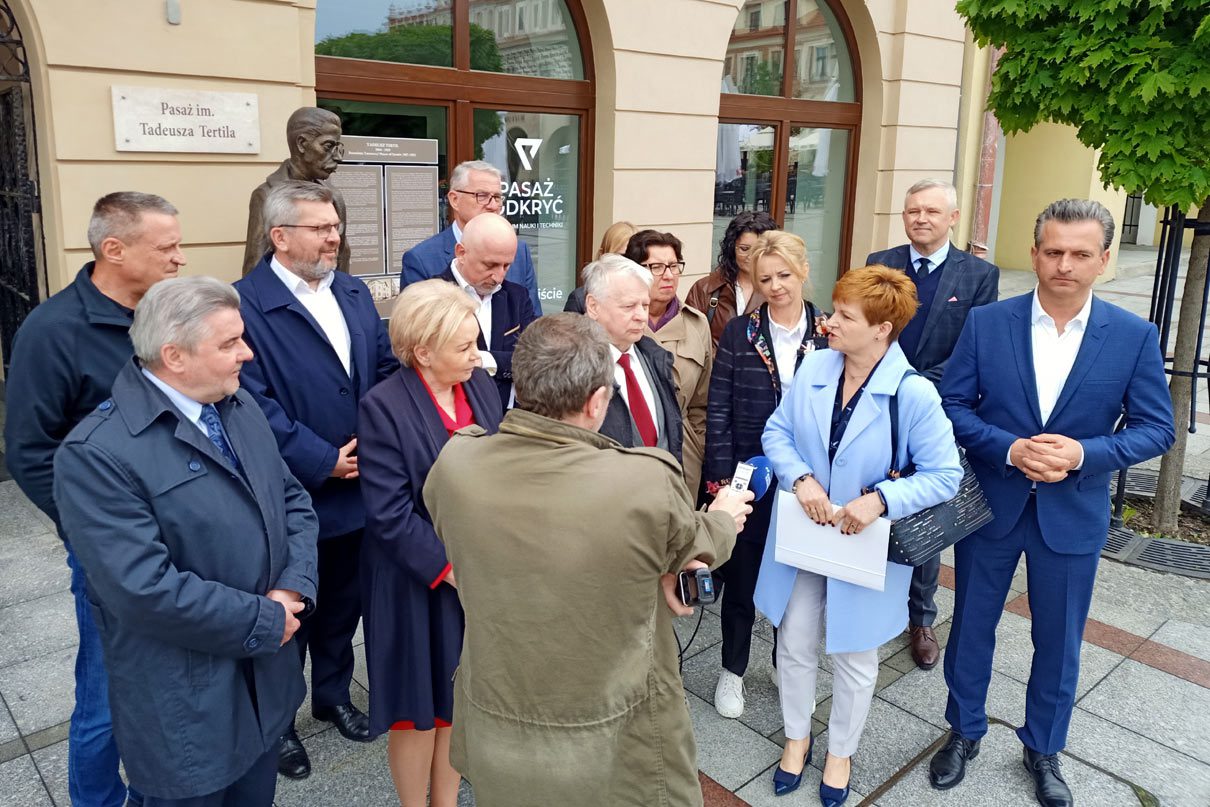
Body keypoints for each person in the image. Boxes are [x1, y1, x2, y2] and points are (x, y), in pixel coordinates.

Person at [422, 313, 754, 806]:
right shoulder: (642, 481)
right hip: (614, 737)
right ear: (598, 401)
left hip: (498, 722)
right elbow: (694, 542)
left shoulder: (456, 464)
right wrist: (725, 515)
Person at [932, 200, 1175, 807]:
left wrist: (1084, 454)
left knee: (1060, 638)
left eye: (1080, 254)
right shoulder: (990, 324)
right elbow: (954, 406)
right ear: (1036, 252)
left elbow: (1156, 428)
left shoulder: (1133, 336)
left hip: (1072, 514)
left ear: (1103, 260)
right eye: (1053, 251)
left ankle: (1043, 747)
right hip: (994, 503)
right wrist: (1010, 449)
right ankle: (963, 731)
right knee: (970, 628)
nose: (1064, 265)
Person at [52, 276, 319, 806]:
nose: (246, 353)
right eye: (229, 344)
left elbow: (293, 501)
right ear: (173, 356)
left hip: (264, 683)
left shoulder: (236, 407)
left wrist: (293, 588)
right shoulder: (95, 455)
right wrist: (267, 620)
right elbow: (144, 590)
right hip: (187, 705)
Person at [755, 266, 963, 805]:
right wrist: (799, 478)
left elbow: (945, 475)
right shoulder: (817, 366)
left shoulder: (913, 394)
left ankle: (841, 752)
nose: (829, 323)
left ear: (882, 330)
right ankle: (797, 739)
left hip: (863, 544)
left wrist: (882, 500)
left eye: (845, 316)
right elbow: (777, 431)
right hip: (806, 536)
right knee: (794, 640)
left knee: (854, 654)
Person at [4, 191, 185, 807]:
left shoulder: (163, 314)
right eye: (167, 248)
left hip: (184, 533)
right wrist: (88, 528)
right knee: (107, 694)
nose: (180, 259)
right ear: (114, 249)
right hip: (111, 549)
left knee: (172, 684)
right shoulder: (53, 331)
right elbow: (30, 451)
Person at [234, 180, 398, 779]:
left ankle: (331, 696)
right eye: (321, 227)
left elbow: (382, 369)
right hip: (293, 494)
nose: (335, 236)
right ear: (280, 236)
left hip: (362, 486)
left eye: (335, 225)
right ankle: (278, 726)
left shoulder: (353, 292)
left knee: (343, 607)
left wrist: (376, 442)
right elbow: (251, 402)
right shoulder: (244, 305)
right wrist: (322, 457)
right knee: (291, 614)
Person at [357, 280, 504, 806]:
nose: (476, 355)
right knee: (416, 710)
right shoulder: (384, 406)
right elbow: (388, 514)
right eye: (463, 347)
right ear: (422, 351)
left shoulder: (479, 386)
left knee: (456, 702)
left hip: (477, 569)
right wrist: (454, 569)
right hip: (416, 581)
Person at [865, 178, 1000, 670]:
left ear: (952, 218)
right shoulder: (881, 261)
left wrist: (913, 388)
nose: (920, 218)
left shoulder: (979, 275)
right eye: (912, 211)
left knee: (924, 508)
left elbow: (973, 350)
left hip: (934, 409)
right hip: (875, 403)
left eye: (931, 211)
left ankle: (921, 616)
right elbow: (865, 327)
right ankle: (871, 600)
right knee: (871, 498)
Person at [704, 230, 827, 720]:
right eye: (765, 278)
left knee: (795, 577)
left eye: (784, 275)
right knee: (741, 578)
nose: (776, 286)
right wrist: (720, 480)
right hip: (750, 472)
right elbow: (719, 408)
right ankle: (732, 670)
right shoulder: (742, 331)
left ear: (803, 272)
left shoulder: (828, 330)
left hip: (808, 480)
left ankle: (785, 660)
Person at [626, 230, 711, 494]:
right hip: (630, 449)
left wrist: (696, 442)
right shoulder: (619, 322)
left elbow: (702, 401)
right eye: (656, 267)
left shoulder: (697, 324)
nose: (668, 275)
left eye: (674, 266)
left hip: (684, 455)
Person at [401, 159, 542, 313]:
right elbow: (416, 332)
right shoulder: (422, 260)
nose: (493, 206)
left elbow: (533, 328)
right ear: (455, 200)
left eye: (497, 197)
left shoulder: (519, 252)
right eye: (482, 196)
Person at [584, 254, 684, 463]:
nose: (641, 316)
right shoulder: (574, 369)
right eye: (629, 307)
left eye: (645, 306)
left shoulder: (656, 358)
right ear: (593, 306)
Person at [436, 212, 538, 409]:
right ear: (461, 253)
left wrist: (483, 359)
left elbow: (534, 359)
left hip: (509, 421)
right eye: (490, 265)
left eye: (506, 266)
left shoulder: (516, 296)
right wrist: (506, 361)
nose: (498, 277)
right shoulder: (432, 297)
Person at [243, 107, 350, 275]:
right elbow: (255, 264)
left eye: (338, 147)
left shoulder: (334, 197)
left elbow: (342, 255)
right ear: (302, 144)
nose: (338, 157)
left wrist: (343, 296)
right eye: (328, 146)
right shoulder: (266, 195)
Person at [686, 210, 777, 348]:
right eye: (744, 249)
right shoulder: (705, 289)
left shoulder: (779, 289)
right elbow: (690, 343)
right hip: (716, 368)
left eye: (759, 249)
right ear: (732, 248)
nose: (751, 256)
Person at [563, 219, 638, 314]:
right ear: (603, 255)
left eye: (634, 258)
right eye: (621, 257)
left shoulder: (649, 297)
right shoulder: (580, 299)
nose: (629, 264)